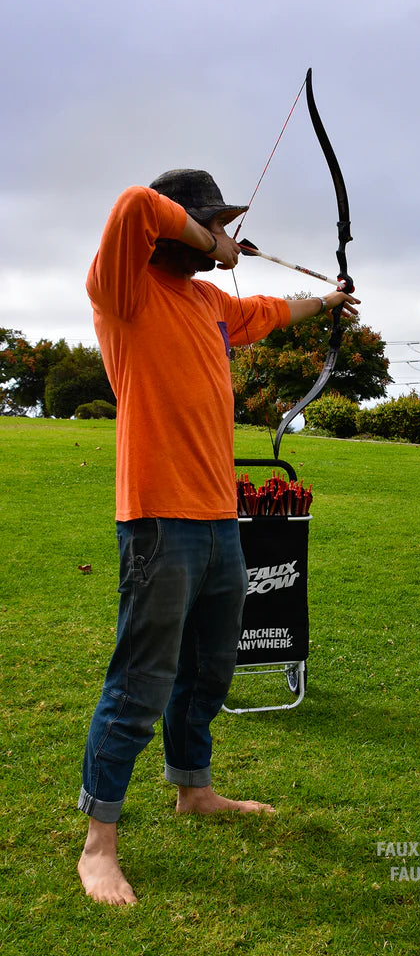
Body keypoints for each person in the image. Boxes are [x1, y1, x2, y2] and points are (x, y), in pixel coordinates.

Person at [77, 169, 359, 906]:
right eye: (208, 227)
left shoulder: (206, 301)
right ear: (182, 230)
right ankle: (98, 844)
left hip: (216, 518)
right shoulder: (124, 290)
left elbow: (268, 310)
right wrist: (214, 240)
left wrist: (327, 300)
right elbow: (133, 204)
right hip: (157, 518)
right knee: (139, 682)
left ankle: (192, 790)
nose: (219, 243)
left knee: (208, 670)